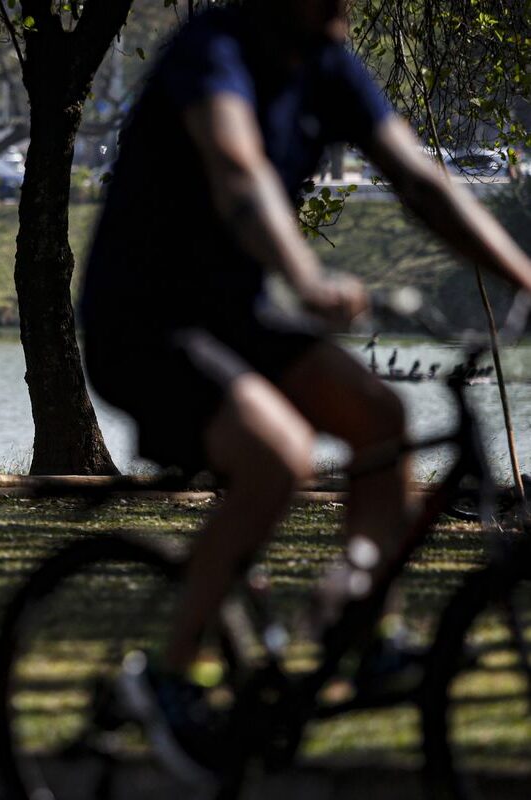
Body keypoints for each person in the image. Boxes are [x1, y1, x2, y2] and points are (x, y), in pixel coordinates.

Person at [79, 0, 531, 778]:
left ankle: (366, 628)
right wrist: (305, 276)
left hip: (236, 316)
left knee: (381, 414)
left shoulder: (326, 63)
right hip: (145, 323)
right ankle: (168, 674)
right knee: (279, 457)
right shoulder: (212, 47)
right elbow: (238, 170)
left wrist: (524, 274)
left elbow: (421, 181)